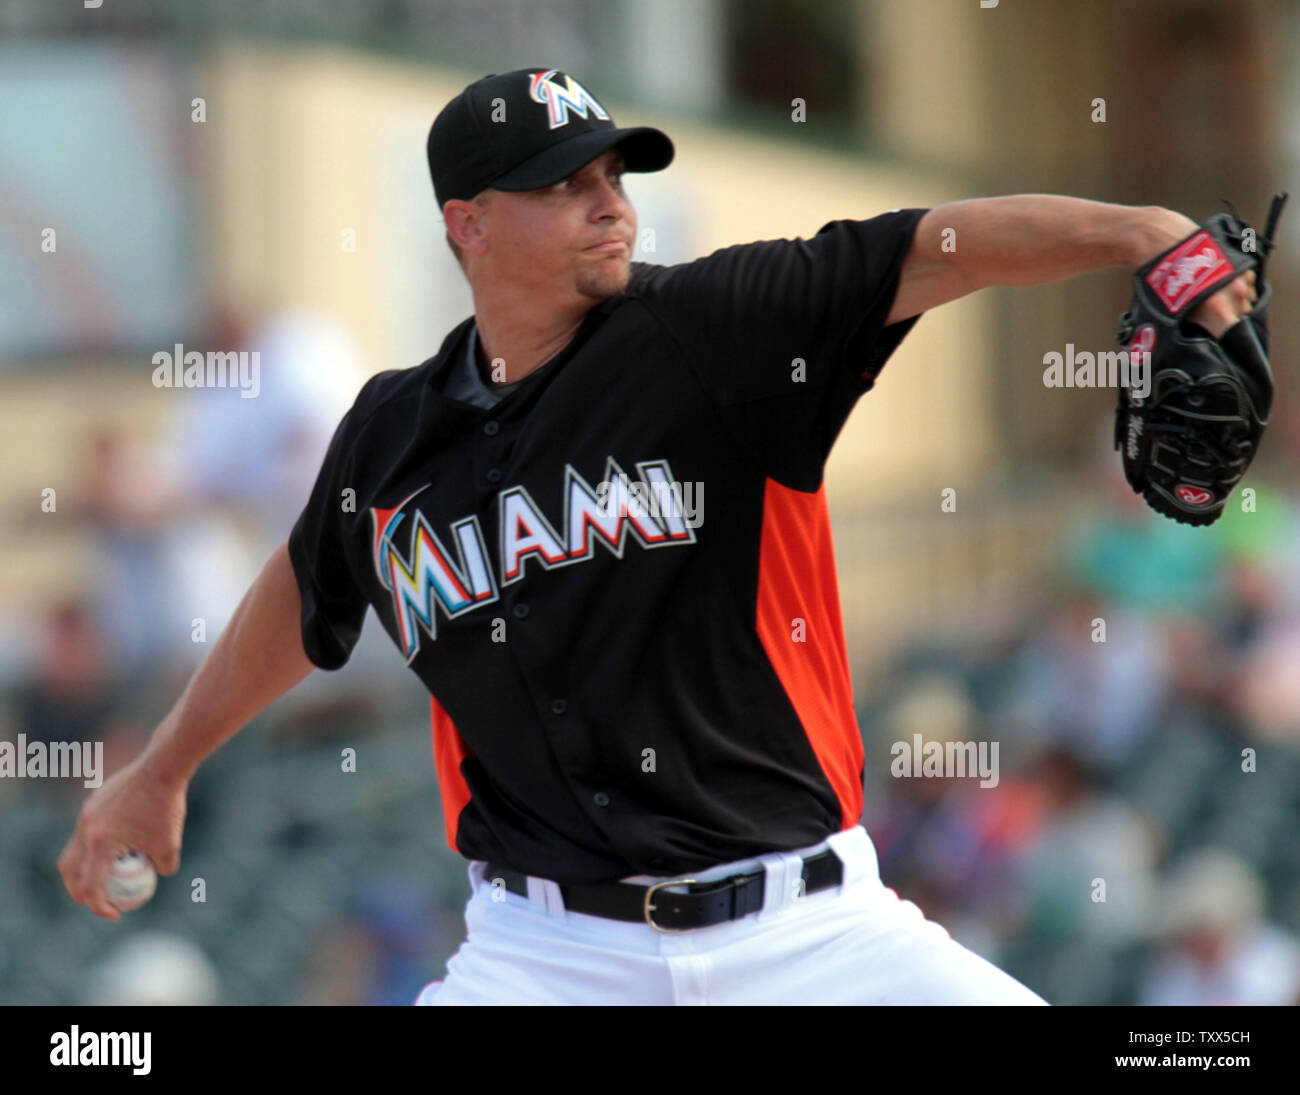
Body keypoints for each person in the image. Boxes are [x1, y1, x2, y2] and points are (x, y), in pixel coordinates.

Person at [57, 67, 1260, 1005]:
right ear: (467, 225)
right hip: (544, 956)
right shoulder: (388, 436)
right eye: (565, 181)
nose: (608, 200)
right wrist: (162, 767)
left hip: (807, 933)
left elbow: (924, 246)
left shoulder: (710, 334)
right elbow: (306, 587)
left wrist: (1136, 229)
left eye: (615, 173)